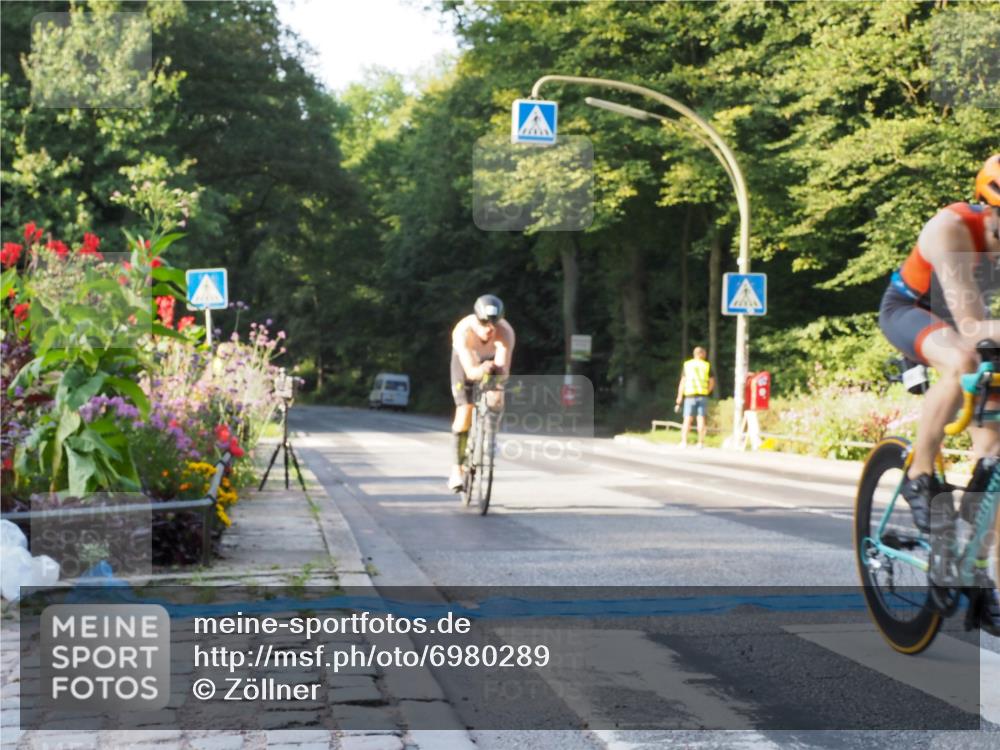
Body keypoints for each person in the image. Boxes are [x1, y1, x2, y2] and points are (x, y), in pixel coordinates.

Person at [879, 155, 1000, 535]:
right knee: (962, 359)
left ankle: (973, 570)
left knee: (992, 452)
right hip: (911, 311)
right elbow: (970, 327)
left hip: (975, 322)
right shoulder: (952, 228)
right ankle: (918, 475)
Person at [448, 294, 515, 490]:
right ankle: (456, 471)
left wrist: (497, 374)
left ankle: (490, 437)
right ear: (476, 319)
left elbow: (504, 369)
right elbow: (470, 371)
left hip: (491, 360)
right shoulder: (463, 331)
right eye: (484, 323)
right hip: (466, 361)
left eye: (494, 324)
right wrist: (481, 369)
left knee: (497, 393)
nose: (489, 329)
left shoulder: (506, 333)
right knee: (465, 411)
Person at [675, 346, 715, 449]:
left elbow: (683, 382)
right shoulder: (706, 365)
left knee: (687, 419)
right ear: (701, 354)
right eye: (704, 353)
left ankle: (684, 442)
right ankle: (700, 442)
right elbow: (711, 382)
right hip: (702, 395)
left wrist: (679, 397)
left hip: (690, 396)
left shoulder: (687, 365)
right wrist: (707, 391)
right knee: (701, 418)